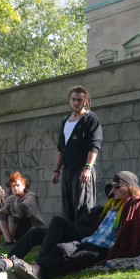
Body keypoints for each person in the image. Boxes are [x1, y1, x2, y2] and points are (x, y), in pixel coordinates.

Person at [11, 171, 140, 279]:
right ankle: (34, 269)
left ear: (129, 187)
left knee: (72, 261)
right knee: (60, 249)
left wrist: (126, 251)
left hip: (100, 249)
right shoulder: (112, 205)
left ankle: (34, 276)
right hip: (88, 241)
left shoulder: (135, 204)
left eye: (117, 187)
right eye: (113, 187)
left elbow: (134, 233)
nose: (113, 191)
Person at [51, 85, 103, 238]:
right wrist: (56, 170)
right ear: (69, 100)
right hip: (67, 171)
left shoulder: (91, 119)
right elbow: (61, 148)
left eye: (79, 100)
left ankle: (82, 241)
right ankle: (69, 241)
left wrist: (87, 168)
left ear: (85, 101)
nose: (76, 103)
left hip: (82, 170)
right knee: (68, 209)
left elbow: (94, 146)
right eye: (73, 99)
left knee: (83, 208)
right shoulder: (65, 120)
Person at [0, 172, 44, 245]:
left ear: (24, 186)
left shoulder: (31, 197)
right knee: (3, 213)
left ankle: (11, 241)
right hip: (21, 231)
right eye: (13, 186)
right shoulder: (13, 197)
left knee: (13, 213)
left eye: (17, 185)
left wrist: (1, 210)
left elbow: (21, 209)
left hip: (34, 230)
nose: (15, 188)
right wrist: (0, 198)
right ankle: (9, 241)